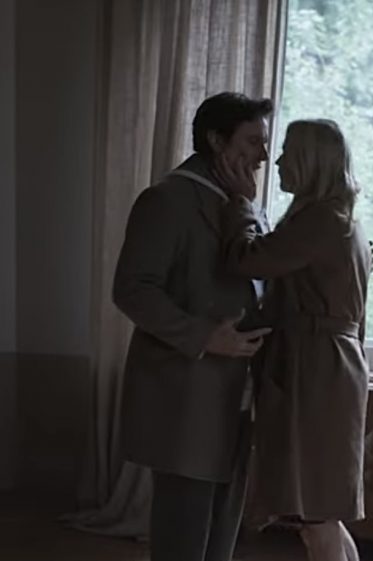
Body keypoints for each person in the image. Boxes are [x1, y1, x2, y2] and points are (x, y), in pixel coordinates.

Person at [112, 92, 274, 561]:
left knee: (223, 534)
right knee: (184, 535)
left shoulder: (245, 202)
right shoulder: (165, 200)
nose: (263, 156)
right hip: (184, 398)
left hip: (238, 394)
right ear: (216, 141)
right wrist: (205, 337)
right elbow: (131, 290)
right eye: (252, 142)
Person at [216, 119, 372, 561]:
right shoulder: (342, 220)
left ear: (309, 161)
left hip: (316, 372)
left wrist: (242, 204)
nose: (277, 161)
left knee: (314, 515)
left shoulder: (320, 221)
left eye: (287, 151)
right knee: (321, 512)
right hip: (331, 368)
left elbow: (248, 260)